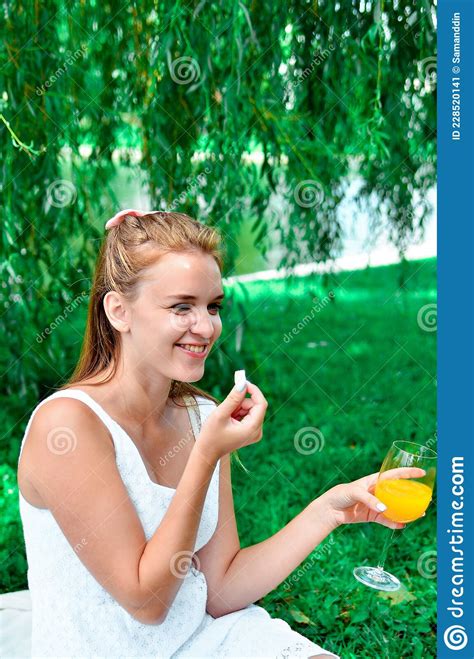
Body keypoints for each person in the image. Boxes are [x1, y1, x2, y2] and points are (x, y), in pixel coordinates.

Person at [17, 210, 422, 658]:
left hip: (204, 639)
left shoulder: (199, 414)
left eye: (213, 306)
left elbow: (221, 590)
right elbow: (146, 602)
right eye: (181, 306)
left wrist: (328, 510)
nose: (206, 327)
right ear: (118, 310)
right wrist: (205, 456)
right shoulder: (68, 427)